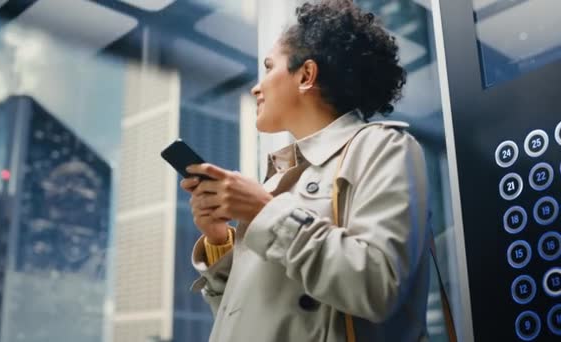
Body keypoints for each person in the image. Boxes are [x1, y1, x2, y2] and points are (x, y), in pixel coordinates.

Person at [180, 1, 430, 341]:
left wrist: (263, 210)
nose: (257, 86)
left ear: (306, 75)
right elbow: (252, 318)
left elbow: (378, 286)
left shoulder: (384, 148)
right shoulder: (280, 176)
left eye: (269, 68)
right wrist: (220, 241)